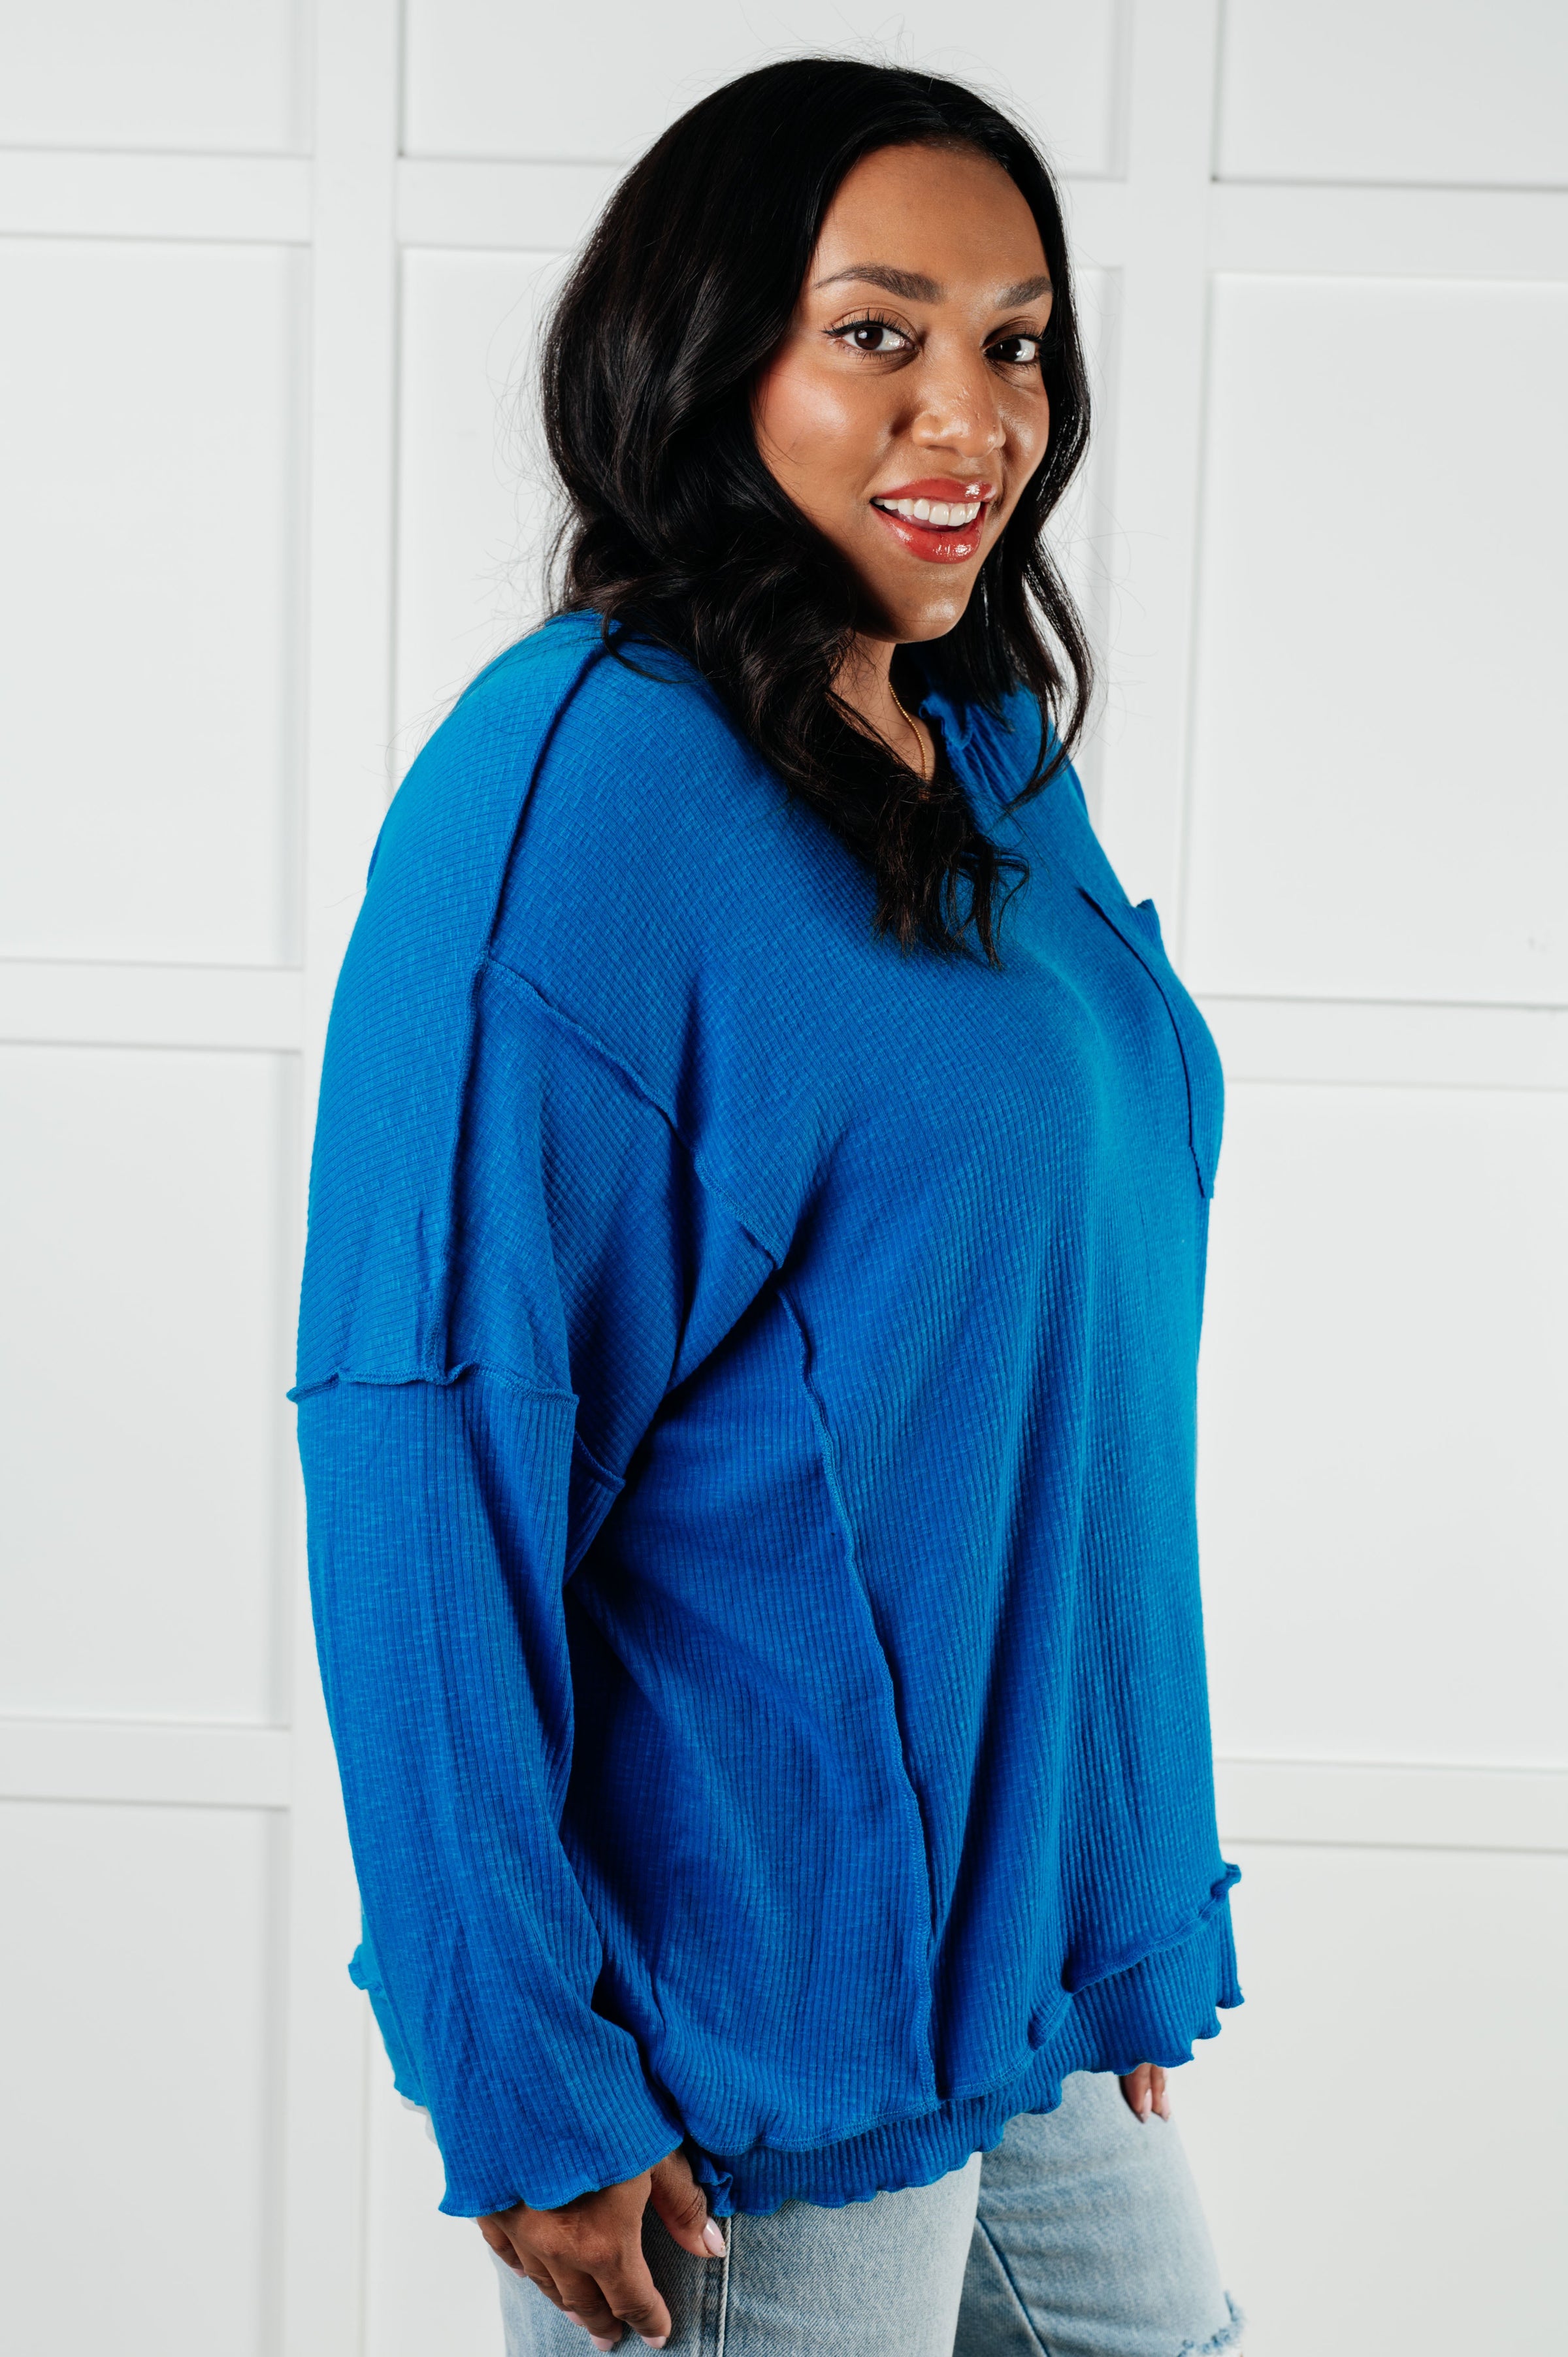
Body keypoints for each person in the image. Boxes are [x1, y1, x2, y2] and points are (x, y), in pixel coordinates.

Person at [293, 56, 1245, 2357]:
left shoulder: (977, 747)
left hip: (1004, 1946)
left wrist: (1115, 1877)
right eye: (879, 333)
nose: (972, 419)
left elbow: (1060, 1348)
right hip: (746, 1997)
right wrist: (519, 2065)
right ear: (707, 352)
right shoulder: (580, 784)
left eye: (1017, 344)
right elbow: (428, 1436)